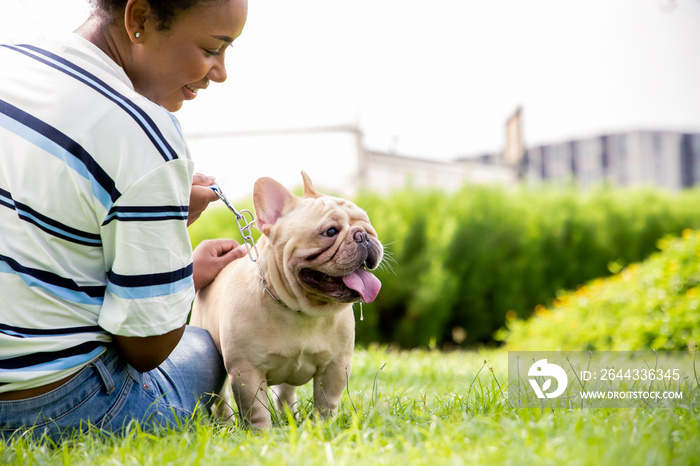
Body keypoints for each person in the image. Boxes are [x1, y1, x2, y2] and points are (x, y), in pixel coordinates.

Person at [0, 0, 248, 439]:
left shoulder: (11, 60)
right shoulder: (144, 133)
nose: (221, 71)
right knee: (205, 347)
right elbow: (145, 348)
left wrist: (149, 217)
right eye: (213, 48)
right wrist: (173, 251)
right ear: (138, 20)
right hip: (50, 406)